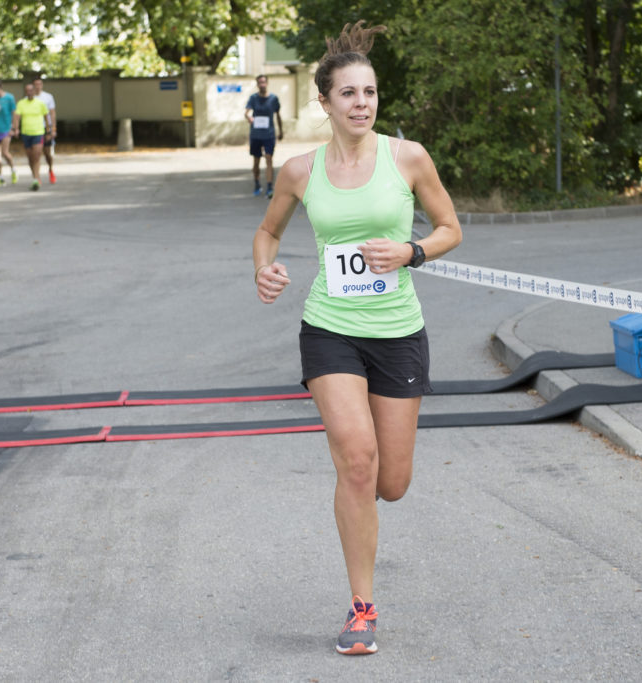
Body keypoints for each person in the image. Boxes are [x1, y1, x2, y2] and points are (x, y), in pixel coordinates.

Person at [252, 22, 462, 656]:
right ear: (325, 102)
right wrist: (265, 267)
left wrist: (411, 250)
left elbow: (451, 227)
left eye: (369, 92)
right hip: (330, 330)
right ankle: (362, 608)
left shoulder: (408, 157)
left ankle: (362, 499)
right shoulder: (297, 171)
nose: (362, 103)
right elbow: (266, 233)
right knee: (357, 461)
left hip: (398, 333)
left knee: (391, 481)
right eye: (348, 93)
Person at [245, 74, 283, 198]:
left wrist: (281, 130)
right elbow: (247, 113)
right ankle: (256, 183)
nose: (262, 84)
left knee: (268, 158)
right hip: (256, 134)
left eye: (263, 82)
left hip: (269, 134)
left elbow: (278, 115)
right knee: (256, 161)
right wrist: (249, 118)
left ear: (267, 83)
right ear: (257, 84)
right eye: (259, 82)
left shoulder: (273, 99)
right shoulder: (253, 98)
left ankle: (269, 187)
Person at [12, 82, 50, 191]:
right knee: (30, 157)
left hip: (38, 132)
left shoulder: (40, 103)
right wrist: (16, 129)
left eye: (31, 90)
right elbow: (17, 117)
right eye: (27, 90)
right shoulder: (21, 103)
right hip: (26, 133)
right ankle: (34, 176)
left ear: (34, 91)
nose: (29, 92)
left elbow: (46, 116)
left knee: (37, 155)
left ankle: (37, 179)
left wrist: (48, 130)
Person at [32, 77, 57, 184]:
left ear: (42, 85)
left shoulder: (48, 97)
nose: (37, 86)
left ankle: (50, 169)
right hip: (34, 129)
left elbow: (52, 113)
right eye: (35, 84)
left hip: (46, 128)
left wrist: (53, 129)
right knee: (36, 154)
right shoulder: (30, 98)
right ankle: (37, 177)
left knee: (47, 154)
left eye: (39, 84)